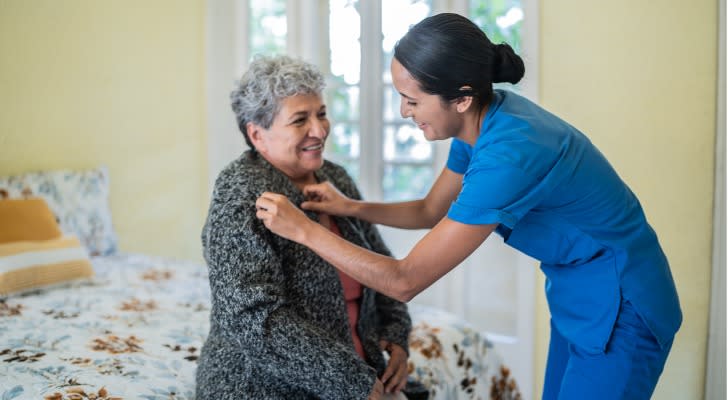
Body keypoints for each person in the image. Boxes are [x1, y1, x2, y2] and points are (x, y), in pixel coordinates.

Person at [255, 13, 682, 400]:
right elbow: (429, 210)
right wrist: (351, 207)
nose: (403, 111)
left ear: (460, 98)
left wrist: (304, 230)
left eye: (413, 100)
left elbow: (405, 281)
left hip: (623, 303)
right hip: (580, 295)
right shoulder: (478, 122)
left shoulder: (510, 152)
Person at [196, 55, 428, 400]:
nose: (319, 130)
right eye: (300, 120)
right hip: (265, 388)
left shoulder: (334, 178)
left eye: (321, 113)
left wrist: (396, 339)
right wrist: (354, 383)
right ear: (257, 135)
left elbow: (379, 263)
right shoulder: (240, 194)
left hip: (359, 375)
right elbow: (256, 320)